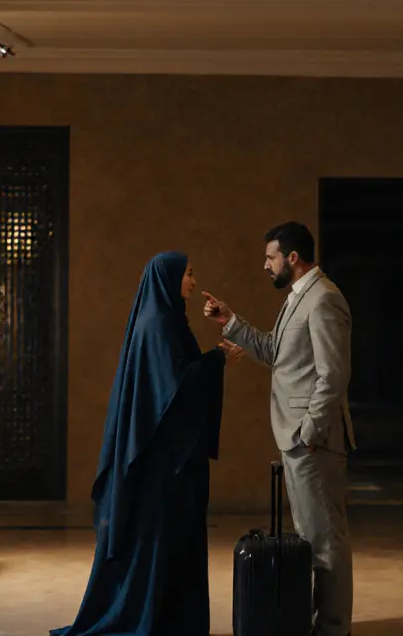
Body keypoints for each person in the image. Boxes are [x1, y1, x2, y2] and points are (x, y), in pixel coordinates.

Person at [52, 251, 241, 636]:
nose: (192, 280)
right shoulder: (156, 324)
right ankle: (154, 620)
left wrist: (213, 357)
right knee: (161, 542)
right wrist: (217, 359)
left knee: (173, 543)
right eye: (188, 274)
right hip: (164, 466)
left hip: (171, 461)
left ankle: (172, 620)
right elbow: (174, 389)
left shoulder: (167, 320)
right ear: (169, 278)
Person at [202, 221, 355, 636]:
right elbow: (275, 351)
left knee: (326, 544)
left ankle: (333, 630)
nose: (264, 265)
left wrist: (308, 432)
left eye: (270, 257)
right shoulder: (298, 298)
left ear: (292, 258)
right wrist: (230, 320)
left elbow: (333, 376)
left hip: (313, 442)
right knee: (313, 539)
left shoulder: (323, 299)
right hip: (300, 440)